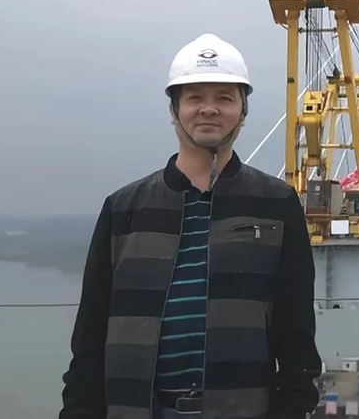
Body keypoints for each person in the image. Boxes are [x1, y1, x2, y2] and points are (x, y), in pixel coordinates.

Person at [59, 33, 322, 419]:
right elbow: (89, 337)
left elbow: (297, 335)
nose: (209, 109)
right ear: (174, 110)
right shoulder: (124, 209)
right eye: (195, 97)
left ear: (243, 112)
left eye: (225, 98)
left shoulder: (277, 205)